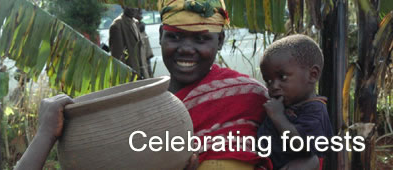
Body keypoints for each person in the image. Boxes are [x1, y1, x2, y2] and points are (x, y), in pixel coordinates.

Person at [16, 1, 272, 169]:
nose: (185, 49)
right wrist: (45, 134)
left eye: (202, 39)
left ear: (220, 41)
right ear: (160, 36)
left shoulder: (248, 98)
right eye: (175, 36)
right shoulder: (134, 112)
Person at [257, 34, 332, 170]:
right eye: (268, 80)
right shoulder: (281, 105)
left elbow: (300, 146)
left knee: (309, 162)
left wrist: (278, 116)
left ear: (312, 74)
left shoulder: (315, 109)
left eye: (282, 77)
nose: (274, 86)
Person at [109, 7, 153, 80]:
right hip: (130, 78)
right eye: (130, 5)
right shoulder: (117, 25)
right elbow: (117, 58)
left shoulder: (136, 23)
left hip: (142, 76)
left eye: (134, 6)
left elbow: (144, 53)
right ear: (123, 6)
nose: (133, 9)